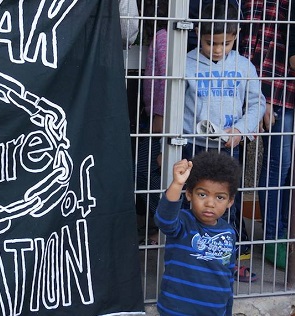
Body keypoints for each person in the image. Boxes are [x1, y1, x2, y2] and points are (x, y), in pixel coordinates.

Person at [183, 1, 265, 280]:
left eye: (226, 43)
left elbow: (257, 104)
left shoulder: (244, 66)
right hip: (194, 148)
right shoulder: (185, 64)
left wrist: (240, 130)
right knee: (194, 206)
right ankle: (191, 262)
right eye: (210, 42)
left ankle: (228, 264)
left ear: (236, 35)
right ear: (198, 34)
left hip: (228, 150)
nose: (218, 50)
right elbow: (174, 108)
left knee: (224, 207)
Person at [239, 0, 295, 270]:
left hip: (287, 91)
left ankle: (283, 235)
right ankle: (274, 237)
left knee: (287, 169)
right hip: (277, 92)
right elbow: (255, 46)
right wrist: (261, 98)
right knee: (278, 166)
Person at [155, 151, 240, 315]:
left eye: (220, 197)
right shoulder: (183, 223)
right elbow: (164, 221)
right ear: (189, 194)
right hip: (176, 310)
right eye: (202, 194)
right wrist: (177, 184)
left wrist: (227, 310)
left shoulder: (228, 232)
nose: (210, 203)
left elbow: (228, 274)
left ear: (230, 201)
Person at [135, 0, 169, 246]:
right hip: (156, 117)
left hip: (163, 120)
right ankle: (165, 222)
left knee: (145, 171)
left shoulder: (163, 36)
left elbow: (166, 79)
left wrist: (159, 115)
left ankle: (168, 223)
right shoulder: (161, 36)